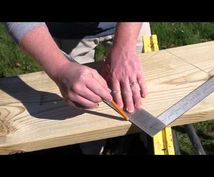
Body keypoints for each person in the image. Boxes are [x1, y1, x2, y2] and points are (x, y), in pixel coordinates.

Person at [5, 22, 151, 154]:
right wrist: (60, 68)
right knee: (84, 111)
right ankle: (91, 149)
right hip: (65, 31)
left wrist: (125, 46)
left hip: (132, 27)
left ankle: (130, 140)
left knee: (137, 97)